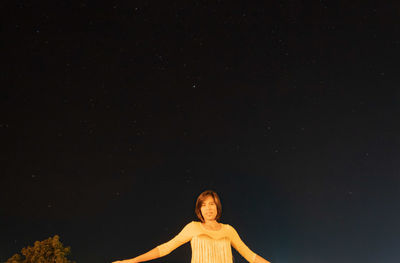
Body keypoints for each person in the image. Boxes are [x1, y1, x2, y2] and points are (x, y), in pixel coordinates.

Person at [112, 190, 271, 263]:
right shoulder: (193, 227)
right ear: (199, 209)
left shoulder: (228, 230)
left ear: (217, 207)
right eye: (204, 205)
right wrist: (133, 261)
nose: (208, 208)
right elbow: (165, 248)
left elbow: (251, 256)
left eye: (211, 204)